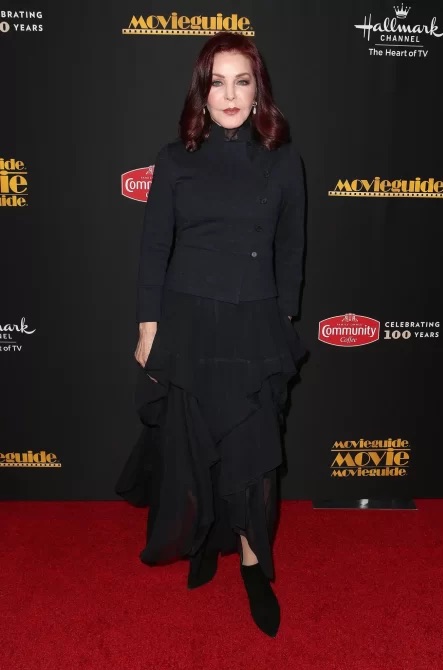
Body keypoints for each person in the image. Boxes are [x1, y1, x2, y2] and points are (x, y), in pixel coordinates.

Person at [115, 31, 307, 638]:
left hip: (254, 327)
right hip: (189, 325)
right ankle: (200, 543)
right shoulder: (175, 160)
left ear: (258, 91)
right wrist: (148, 327)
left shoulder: (283, 161)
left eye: (241, 81)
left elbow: (291, 251)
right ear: (202, 92)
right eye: (217, 82)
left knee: (253, 454)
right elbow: (154, 249)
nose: (229, 94)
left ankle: (253, 566)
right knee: (194, 450)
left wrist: (283, 323)